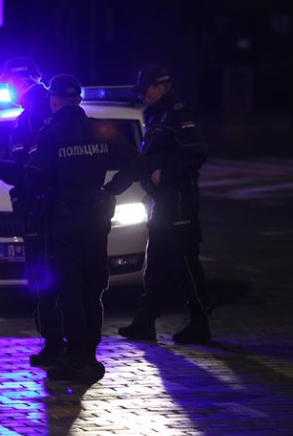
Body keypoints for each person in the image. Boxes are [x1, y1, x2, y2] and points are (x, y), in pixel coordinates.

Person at [24, 74, 136, 382]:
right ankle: (90, 355)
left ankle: (75, 358)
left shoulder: (51, 133)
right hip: (96, 216)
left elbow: (33, 176)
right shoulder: (99, 129)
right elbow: (133, 162)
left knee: (69, 289)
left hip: (65, 220)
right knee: (92, 287)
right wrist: (111, 189)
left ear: (54, 100)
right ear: (79, 99)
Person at [105, 65, 213, 345]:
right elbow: (145, 160)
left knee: (186, 263)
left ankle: (200, 322)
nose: (143, 97)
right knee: (157, 264)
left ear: (160, 87)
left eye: (145, 91)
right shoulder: (159, 114)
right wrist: (116, 186)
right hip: (163, 203)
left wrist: (166, 174)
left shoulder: (178, 114)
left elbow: (196, 152)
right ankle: (145, 321)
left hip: (178, 203)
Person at [0, 58, 62, 368]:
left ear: (18, 82)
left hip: (40, 211)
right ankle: (65, 342)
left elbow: (31, 170)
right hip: (57, 209)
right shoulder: (52, 109)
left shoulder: (32, 115)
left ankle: (54, 344)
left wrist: (5, 170)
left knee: (42, 278)